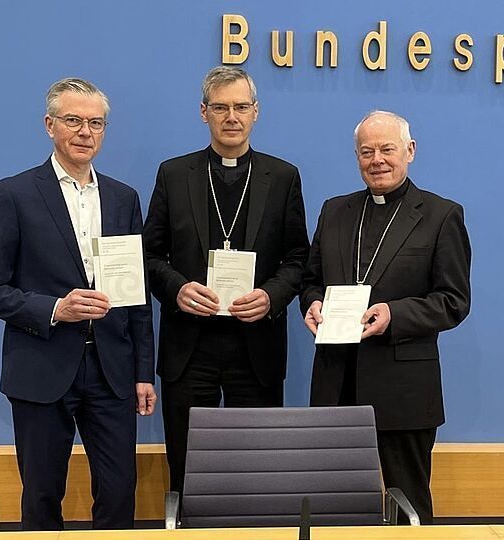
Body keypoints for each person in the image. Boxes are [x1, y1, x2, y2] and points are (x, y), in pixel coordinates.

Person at [0, 78, 156, 530]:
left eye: (96, 123)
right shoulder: (14, 194)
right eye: (74, 120)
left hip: (112, 371)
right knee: (41, 494)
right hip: (42, 365)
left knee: (119, 492)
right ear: (49, 124)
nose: (85, 132)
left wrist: (142, 372)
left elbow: (136, 295)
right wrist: (56, 308)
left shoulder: (123, 198)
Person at [143, 66, 310, 495]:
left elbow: (298, 258)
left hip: (256, 346)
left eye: (240, 107)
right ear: (204, 113)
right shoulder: (173, 174)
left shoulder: (283, 177)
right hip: (189, 346)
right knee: (187, 467)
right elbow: (149, 255)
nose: (231, 117)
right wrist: (177, 289)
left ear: (256, 112)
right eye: (220, 108)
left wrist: (271, 296)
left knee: (257, 469)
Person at [300, 110, 471, 524]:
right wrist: (313, 303)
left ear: (409, 151)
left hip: (404, 388)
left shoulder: (441, 215)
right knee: (334, 506)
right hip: (336, 381)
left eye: (387, 149)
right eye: (367, 152)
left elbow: (453, 300)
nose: (377, 160)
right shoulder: (334, 211)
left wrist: (394, 314)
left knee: (408, 507)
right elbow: (311, 280)